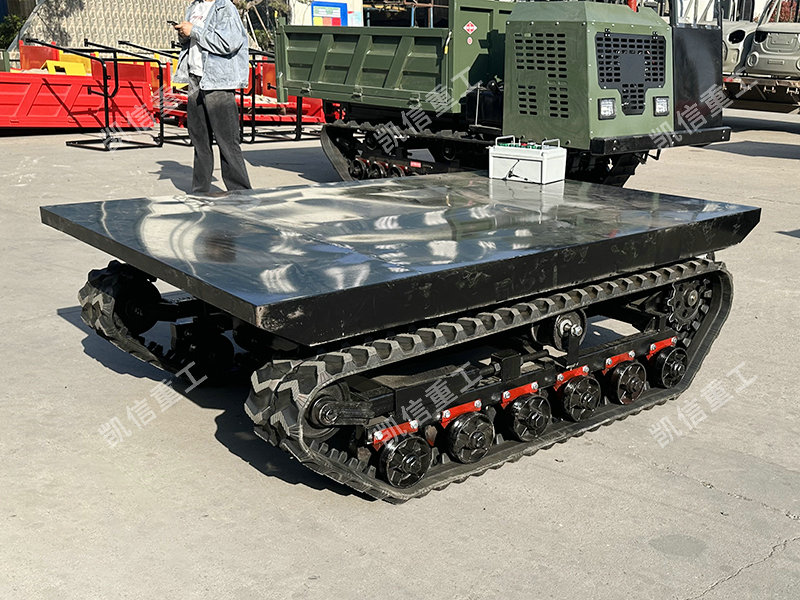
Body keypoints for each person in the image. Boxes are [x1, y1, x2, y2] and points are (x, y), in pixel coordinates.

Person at [173, 0, 251, 195]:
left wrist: (194, 31)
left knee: (227, 141)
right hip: (195, 78)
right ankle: (200, 192)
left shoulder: (225, 8)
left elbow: (229, 43)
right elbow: (190, 42)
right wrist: (184, 34)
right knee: (199, 140)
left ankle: (241, 193)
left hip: (218, 82)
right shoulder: (194, 7)